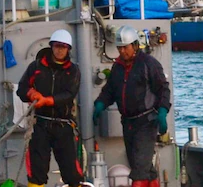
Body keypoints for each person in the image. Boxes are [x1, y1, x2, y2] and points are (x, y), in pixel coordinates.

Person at [93, 25, 171, 187]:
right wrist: (100, 104)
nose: (122, 51)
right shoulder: (117, 67)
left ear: (135, 45)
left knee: (139, 173)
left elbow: (163, 89)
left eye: (125, 47)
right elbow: (110, 90)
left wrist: (163, 112)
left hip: (146, 121)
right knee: (144, 167)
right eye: (119, 48)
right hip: (128, 123)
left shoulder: (149, 64)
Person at [17, 29, 83, 187]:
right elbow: (22, 89)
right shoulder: (36, 67)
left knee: (71, 171)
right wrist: (31, 93)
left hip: (63, 125)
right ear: (51, 46)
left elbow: (69, 94)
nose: (60, 50)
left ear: (68, 49)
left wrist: (47, 100)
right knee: (37, 170)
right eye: (57, 46)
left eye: (64, 47)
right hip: (40, 125)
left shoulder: (73, 71)